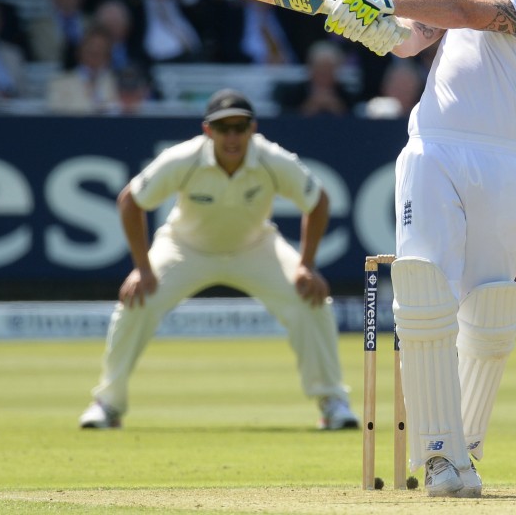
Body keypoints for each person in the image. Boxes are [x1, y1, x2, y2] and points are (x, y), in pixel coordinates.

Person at [323, 0, 516, 497]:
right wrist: (373, 28)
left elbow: (468, 14)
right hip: (433, 147)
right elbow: (412, 40)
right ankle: (438, 458)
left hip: (505, 159)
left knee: (490, 313)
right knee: (425, 291)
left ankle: (464, 451)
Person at [78, 89, 359, 431]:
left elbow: (318, 201)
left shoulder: (272, 159)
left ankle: (332, 402)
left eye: (239, 127)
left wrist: (306, 264)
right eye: (223, 127)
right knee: (136, 300)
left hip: (256, 246)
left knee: (311, 298)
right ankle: (107, 404)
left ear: (252, 129)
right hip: (185, 247)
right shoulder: (183, 158)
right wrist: (142, 268)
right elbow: (129, 201)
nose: (232, 136)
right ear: (207, 130)